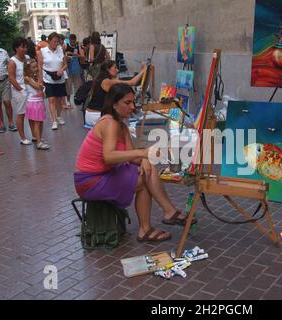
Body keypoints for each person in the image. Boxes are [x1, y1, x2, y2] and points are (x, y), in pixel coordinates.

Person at [74, 83, 196, 242]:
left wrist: (144, 159)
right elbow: (109, 156)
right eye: (127, 103)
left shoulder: (121, 126)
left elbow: (132, 157)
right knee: (145, 176)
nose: (132, 107)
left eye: (133, 102)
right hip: (90, 181)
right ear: (114, 104)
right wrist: (143, 153)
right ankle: (161, 217)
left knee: (146, 169)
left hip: (101, 175)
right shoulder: (109, 123)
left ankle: (155, 222)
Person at [85, 60, 145, 128]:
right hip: (97, 115)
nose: (117, 70)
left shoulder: (99, 80)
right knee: (124, 119)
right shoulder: (108, 82)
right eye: (115, 68)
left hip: (90, 114)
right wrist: (143, 70)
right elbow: (132, 82)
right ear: (108, 69)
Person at [37, 32, 68, 130]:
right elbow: (40, 66)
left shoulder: (60, 50)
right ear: (49, 41)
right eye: (54, 42)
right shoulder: (42, 51)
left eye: (58, 42)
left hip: (60, 77)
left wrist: (61, 70)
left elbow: (65, 64)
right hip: (48, 78)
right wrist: (40, 79)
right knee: (51, 99)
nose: (56, 44)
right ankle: (54, 120)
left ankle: (58, 116)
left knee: (59, 99)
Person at [8, 37, 32, 145]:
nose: (25, 49)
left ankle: (34, 135)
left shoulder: (27, 58)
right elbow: (11, 78)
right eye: (23, 47)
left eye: (26, 46)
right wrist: (20, 89)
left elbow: (30, 72)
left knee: (32, 112)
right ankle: (23, 138)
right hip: (19, 91)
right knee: (21, 114)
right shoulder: (12, 61)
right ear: (16, 48)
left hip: (30, 88)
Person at [24, 59, 49, 150]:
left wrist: (38, 77)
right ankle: (38, 142)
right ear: (28, 69)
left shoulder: (36, 76)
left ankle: (39, 138)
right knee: (37, 123)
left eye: (36, 67)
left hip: (39, 101)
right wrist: (39, 80)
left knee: (41, 121)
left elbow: (40, 86)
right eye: (33, 67)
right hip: (33, 102)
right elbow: (38, 86)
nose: (35, 69)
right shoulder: (27, 78)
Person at [64, 34, 82, 109]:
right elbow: (64, 56)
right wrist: (71, 54)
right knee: (68, 87)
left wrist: (77, 55)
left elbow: (81, 56)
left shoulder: (78, 47)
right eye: (71, 40)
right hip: (69, 69)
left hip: (77, 69)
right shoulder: (66, 46)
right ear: (69, 39)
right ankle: (68, 101)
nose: (73, 41)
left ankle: (77, 99)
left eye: (74, 40)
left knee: (77, 86)